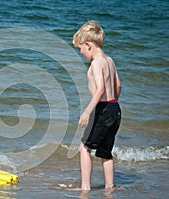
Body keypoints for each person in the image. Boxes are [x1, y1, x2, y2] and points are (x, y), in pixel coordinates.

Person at [72, 20, 122, 191]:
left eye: (81, 48)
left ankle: (85, 188)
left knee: (83, 148)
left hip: (102, 109)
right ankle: (110, 187)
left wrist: (87, 112)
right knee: (105, 152)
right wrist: (113, 107)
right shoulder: (110, 61)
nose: (81, 52)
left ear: (88, 45)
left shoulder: (96, 63)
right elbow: (118, 86)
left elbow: (100, 89)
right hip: (114, 107)